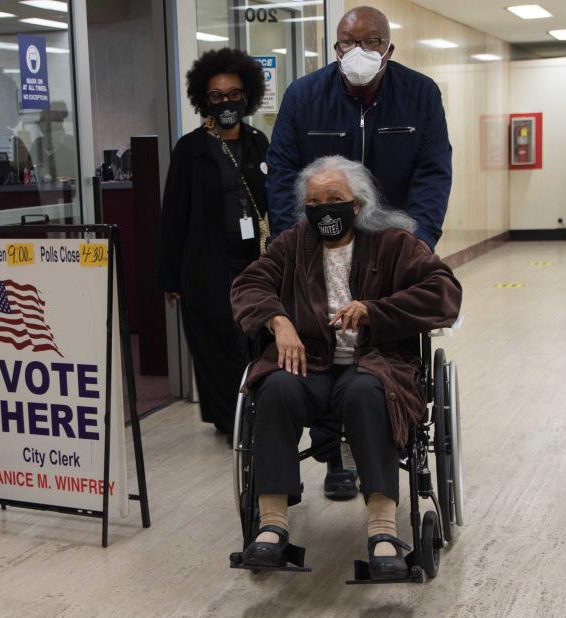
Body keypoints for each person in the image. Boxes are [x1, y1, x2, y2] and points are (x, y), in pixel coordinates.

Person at [230, 155, 461, 579]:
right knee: (276, 388)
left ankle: (383, 530)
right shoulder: (294, 244)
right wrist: (279, 322)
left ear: (357, 205)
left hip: (376, 363)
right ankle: (272, 525)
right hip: (311, 364)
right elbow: (248, 283)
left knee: (365, 392)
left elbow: (444, 292)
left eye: (334, 199)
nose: (324, 209)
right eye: (314, 202)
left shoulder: (394, 243)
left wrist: (376, 311)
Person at [265, 6, 453, 498]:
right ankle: (333, 456)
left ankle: (380, 435)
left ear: (389, 49)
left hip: (390, 251)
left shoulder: (419, 95)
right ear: (335, 48)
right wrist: (298, 246)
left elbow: (433, 173)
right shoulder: (304, 96)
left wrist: (418, 245)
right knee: (321, 332)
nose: (359, 52)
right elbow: (283, 171)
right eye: (349, 43)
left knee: (370, 341)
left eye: (372, 43)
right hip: (318, 243)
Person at [158, 49, 270, 439]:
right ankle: (231, 420)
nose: (226, 102)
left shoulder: (258, 143)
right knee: (218, 341)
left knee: (255, 336)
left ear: (248, 96)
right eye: (217, 96)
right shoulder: (190, 149)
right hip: (207, 261)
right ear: (203, 99)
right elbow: (173, 212)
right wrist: (170, 275)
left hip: (255, 259)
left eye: (234, 94)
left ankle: (256, 408)